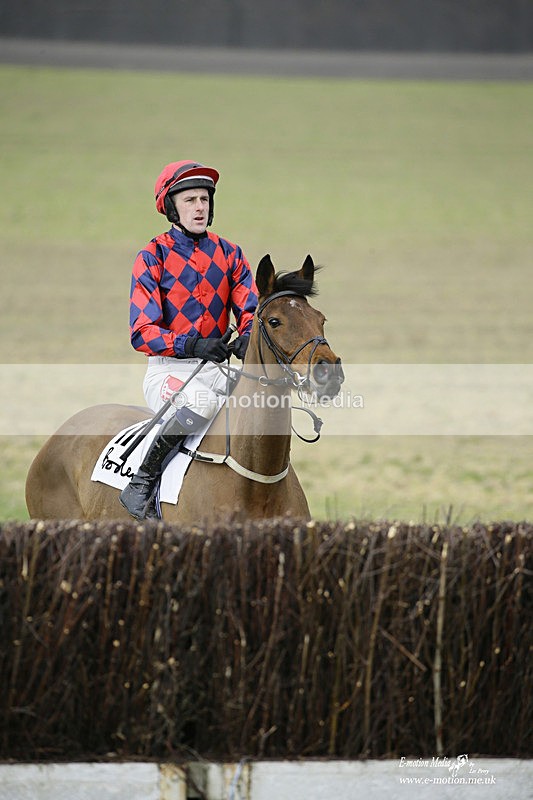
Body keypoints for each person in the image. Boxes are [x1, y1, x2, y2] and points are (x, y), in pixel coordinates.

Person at [119, 160, 258, 520]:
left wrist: (246, 337)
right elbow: (142, 331)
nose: (199, 207)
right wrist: (192, 345)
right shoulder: (153, 256)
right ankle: (141, 485)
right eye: (190, 200)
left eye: (204, 199)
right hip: (170, 371)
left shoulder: (230, 254)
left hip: (218, 369)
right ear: (171, 207)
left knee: (260, 411)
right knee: (199, 405)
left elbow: (249, 307)